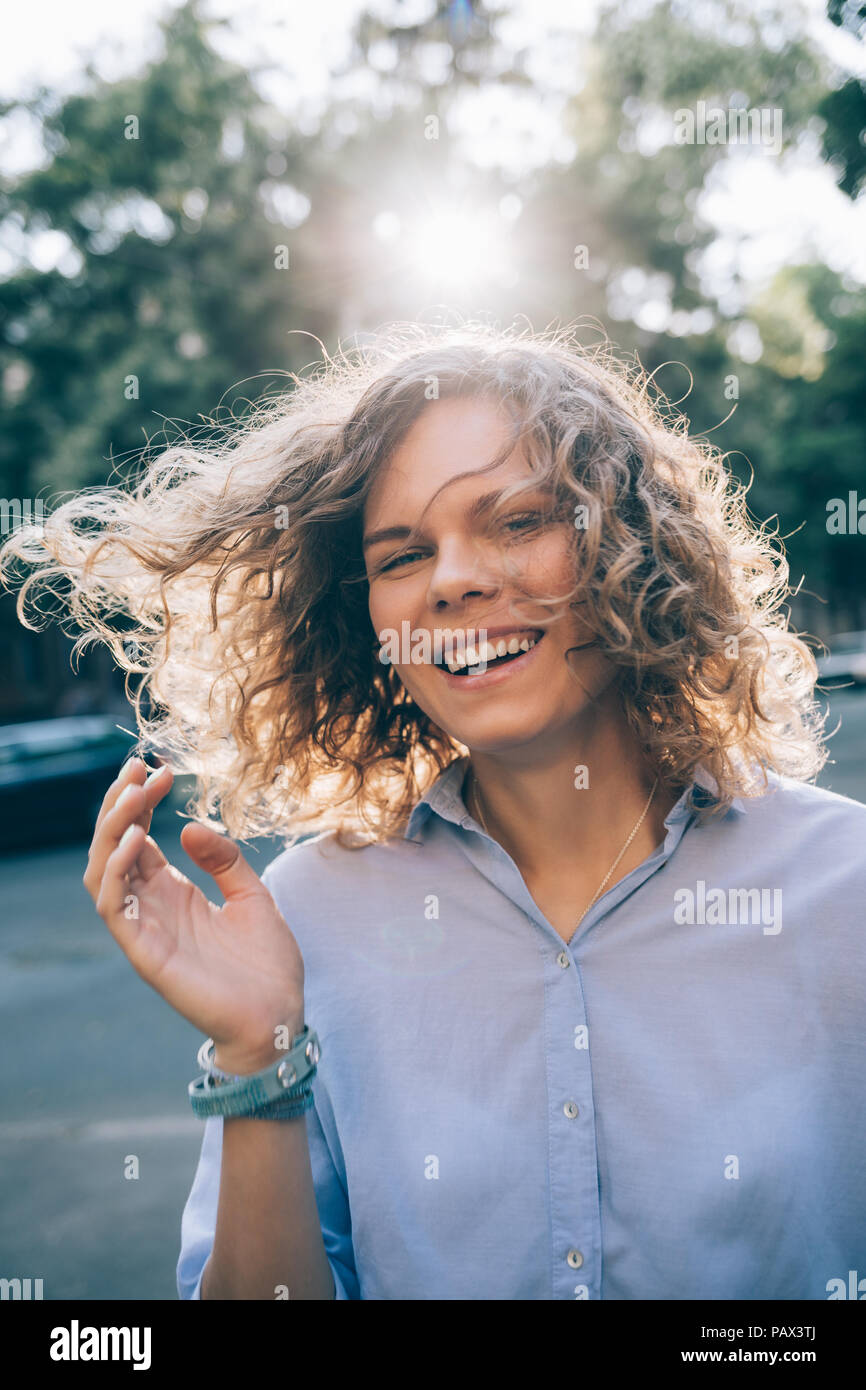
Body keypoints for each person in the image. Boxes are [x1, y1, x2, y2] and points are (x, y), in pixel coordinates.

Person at [3, 322, 863, 1300]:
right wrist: (257, 1059)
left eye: (516, 519)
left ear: (629, 544)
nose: (451, 579)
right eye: (403, 552)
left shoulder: (845, 889)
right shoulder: (307, 921)